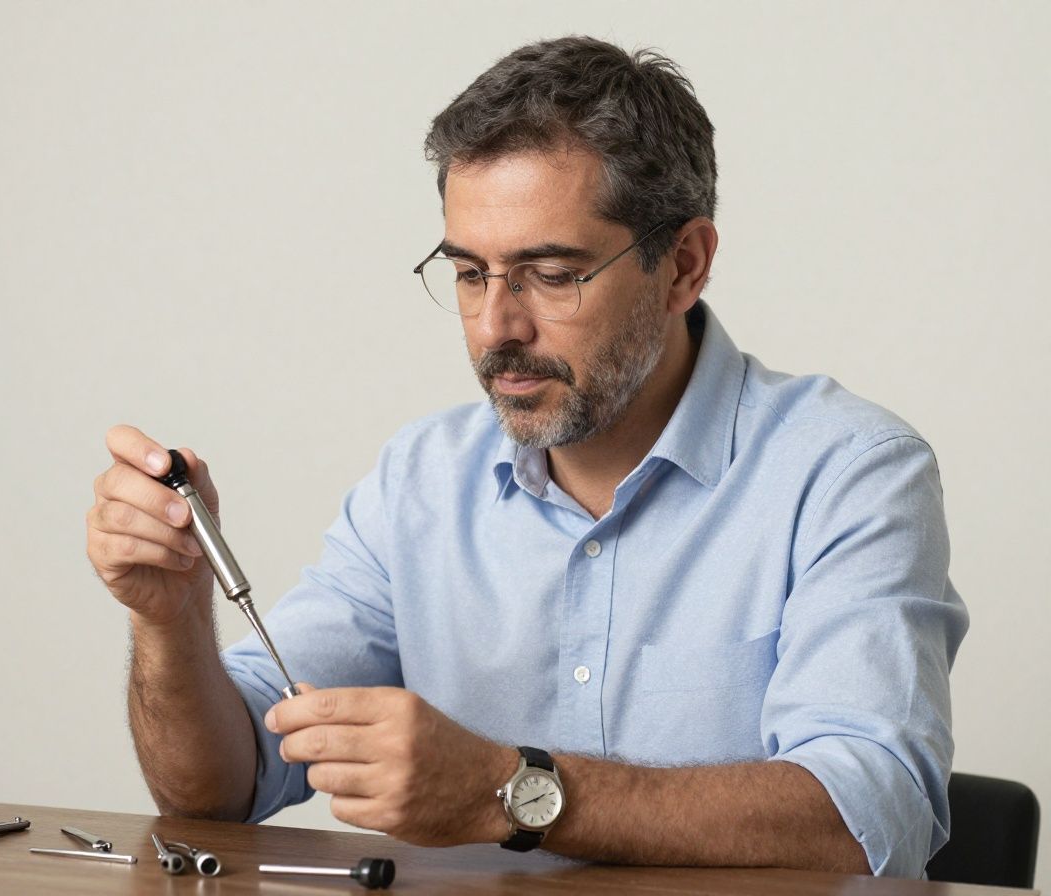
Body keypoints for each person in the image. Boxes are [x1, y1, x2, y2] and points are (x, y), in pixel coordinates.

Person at [86, 36, 968, 877]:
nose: (496, 328)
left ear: (684, 265)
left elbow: (871, 817)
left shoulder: (848, 471)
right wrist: (171, 623)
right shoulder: (420, 480)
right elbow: (218, 788)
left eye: (551, 274)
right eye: (470, 272)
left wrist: (508, 791)